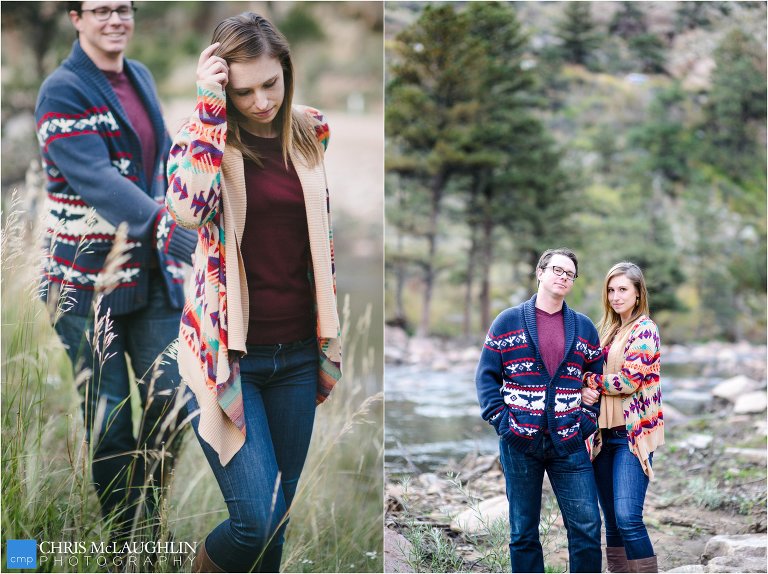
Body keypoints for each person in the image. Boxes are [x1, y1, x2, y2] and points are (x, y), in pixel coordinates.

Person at [165, 12, 342, 573]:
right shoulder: (202, 140)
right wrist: (209, 109)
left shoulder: (312, 131)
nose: (261, 101)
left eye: (271, 83)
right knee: (254, 524)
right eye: (244, 91)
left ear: (286, 70)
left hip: (297, 355)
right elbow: (186, 210)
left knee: (276, 521)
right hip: (229, 359)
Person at [35, 1, 196, 539]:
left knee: (174, 398)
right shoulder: (62, 91)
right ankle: (126, 540)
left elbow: (161, 162)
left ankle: (147, 521)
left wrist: (192, 201)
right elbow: (99, 181)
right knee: (110, 423)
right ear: (75, 18)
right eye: (100, 9)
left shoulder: (139, 76)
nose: (115, 19)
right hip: (83, 287)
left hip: (150, 276)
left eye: (123, 8)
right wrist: (171, 230)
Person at [475, 248, 604, 573]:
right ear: (540, 272)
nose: (563, 277)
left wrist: (586, 420)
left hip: (570, 442)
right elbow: (486, 377)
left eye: (570, 274)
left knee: (588, 526)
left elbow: (596, 378)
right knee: (523, 532)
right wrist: (503, 422)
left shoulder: (584, 327)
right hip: (519, 442)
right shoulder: (507, 321)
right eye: (558, 270)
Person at [581, 262, 664, 573]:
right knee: (613, 522)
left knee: (628, 518)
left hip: (631, 436)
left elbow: (629, 381)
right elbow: (589, 369)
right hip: (602, 438)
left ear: (638, 293)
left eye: (623, 290)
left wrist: (589, 382)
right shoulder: (607, 331)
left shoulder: (645, 329)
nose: (615, 296)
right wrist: (584, 388)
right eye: (611, 290)